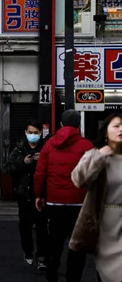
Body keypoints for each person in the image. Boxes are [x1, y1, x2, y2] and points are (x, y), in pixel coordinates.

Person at [34, 110, 92, 282]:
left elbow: (40, 174)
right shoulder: (86, 146)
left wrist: (39, 195)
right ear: (79, 125)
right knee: (77, 247)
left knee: (54, 244)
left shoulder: (50, 144)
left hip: (54, 202)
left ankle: (51, 277)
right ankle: (73, 278)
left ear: (61, 124)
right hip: (79, 204)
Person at [70, 113, 122, 282]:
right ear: (106, 132)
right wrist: (100, 156)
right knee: (111, 273)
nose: (121, 129)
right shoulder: (95, 154)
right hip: (106, 222)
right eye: (116, 126)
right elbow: (79, 179)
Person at [4, 120, 48, 270]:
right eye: (30, 132)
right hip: (24, 195)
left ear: (41, 133)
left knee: (42, 226)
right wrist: (23, 162)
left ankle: (42, 257)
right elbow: (8, 168)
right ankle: (28, 252)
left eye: (36, 133)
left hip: (42, 194)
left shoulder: (46, 148)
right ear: (25, 132)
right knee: (25, 225)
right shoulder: (19, 148)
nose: (33, 136)